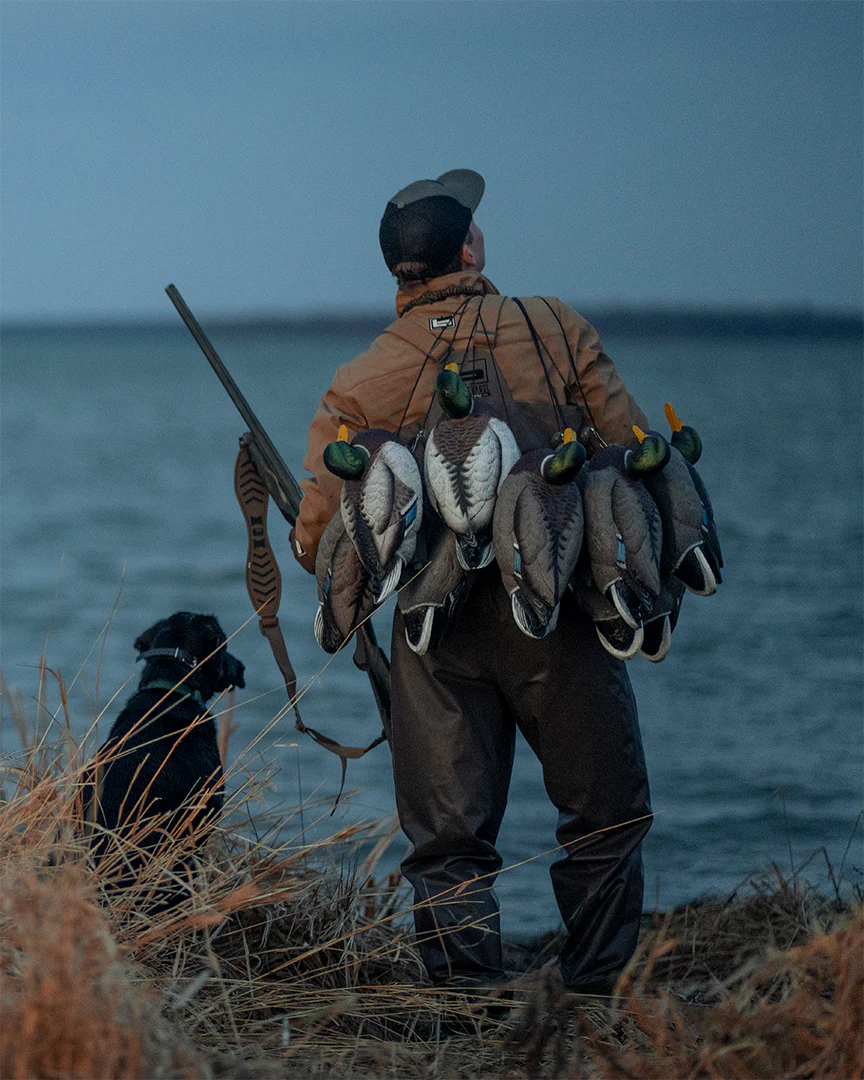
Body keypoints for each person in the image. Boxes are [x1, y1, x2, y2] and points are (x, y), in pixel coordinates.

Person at [291, 170, 652, 995]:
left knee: (448, 841)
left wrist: (308, 526)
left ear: (397, 274)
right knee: (605, 814)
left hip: (434, 631)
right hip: (555, 607)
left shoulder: (362, 376)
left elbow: (319, 537)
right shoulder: (553, 327)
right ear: (471, 248)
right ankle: (597, 992)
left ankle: (461, 1004)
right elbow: (629, 445)